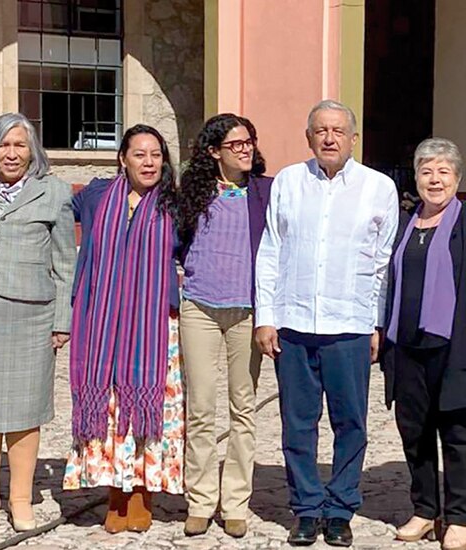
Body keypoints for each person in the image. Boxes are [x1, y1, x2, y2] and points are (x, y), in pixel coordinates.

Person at [254, 99, 399, 547]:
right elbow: (271, 251)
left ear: (353, 138)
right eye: (321, 131)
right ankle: (305, 507)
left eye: (338, 130)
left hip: (350, 325)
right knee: (297, 423)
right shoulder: (289, 184)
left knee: (350, 422)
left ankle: (340, 508)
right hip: (295, 322)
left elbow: (382, 263)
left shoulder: (379, 188)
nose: (330, 138)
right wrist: (266, 317)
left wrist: (376, 324)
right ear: (309, 138)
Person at [0, 113, 77, 534]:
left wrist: (62, 321)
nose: (12, 153)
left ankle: (21, 498)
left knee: (26, 411)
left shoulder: (55, 192)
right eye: (4, 145)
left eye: (20, 145)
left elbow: (64, 262)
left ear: (32, 151)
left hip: (32, 316)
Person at [62, 124, 184, 534]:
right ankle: (114, 495)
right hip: (101, 322)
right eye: (139, 154)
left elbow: (191, 251)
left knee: (148, 409)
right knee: (110, 412)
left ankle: (141, 495)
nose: (148, 162)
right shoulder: (97, 196)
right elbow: (55, 214)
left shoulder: (175, 204)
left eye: (156, 155)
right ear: (123, 159)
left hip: (152, 328)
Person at [382, 138, 466, 550]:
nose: (434, 179)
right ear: (415, 177)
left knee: (457, 435)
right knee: (414, 433)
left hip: (455, 348)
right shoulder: (405, 222)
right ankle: (423, 509)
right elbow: (390, 283)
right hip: (407, 347)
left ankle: (458, 519)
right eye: (426, 171)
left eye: (443, 171)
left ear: (457, 178)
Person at [175, 113, 272, 539]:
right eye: (236, 144)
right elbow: (175, 244)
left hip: (247, 313)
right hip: (200, 308)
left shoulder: (265, 193)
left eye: (249, 141)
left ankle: (234, 502)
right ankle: (198, 500)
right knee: (200, 409)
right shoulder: (192, 195)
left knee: (243, 409)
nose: (246, 148)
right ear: (214, 152)